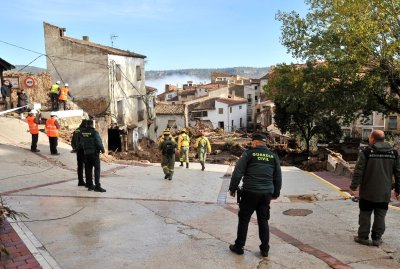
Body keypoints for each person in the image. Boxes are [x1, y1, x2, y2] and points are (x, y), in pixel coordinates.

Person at [228, 133, 282, 257]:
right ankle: (265, 249)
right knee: (263, 221)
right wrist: (276, 192)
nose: (252, 144)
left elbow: (238, 172)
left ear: (256, 142)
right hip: (266, 194)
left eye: (252, 142)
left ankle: (239, 246)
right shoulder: (273, 156)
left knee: (244, 220)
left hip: (250, 193)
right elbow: (278, 176)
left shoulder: (248, 154)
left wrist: (233, 188)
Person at [349, 130, 400, 246]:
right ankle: (377, 239)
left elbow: (358, 171)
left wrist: (353, 187)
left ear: (373, 139)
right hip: (384, 192)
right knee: (380, 215)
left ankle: (363, 237)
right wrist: (398, 190)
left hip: (367, 191)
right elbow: (398, 173)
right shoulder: (394, 153)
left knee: (365, 214)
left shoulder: (366, 152)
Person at [80, 120, 106, 192]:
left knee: (88, 169)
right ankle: (97, 186)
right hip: (94, 154)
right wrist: (103, 150)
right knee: (97, 169)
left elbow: (81, 142)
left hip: (86, 153)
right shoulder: (94, 133)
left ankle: (90, 185)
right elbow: (99, 142)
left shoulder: (83, 133)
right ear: (92, 125)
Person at [71, 119, 87, 187]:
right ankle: (88, 182)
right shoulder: (86, 131)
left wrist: (74, 148)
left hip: (78, 150)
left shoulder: (77, 130)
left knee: (80, 166)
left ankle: (80, 181)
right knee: (87, 166)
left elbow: (73, 140)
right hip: (85, 150)